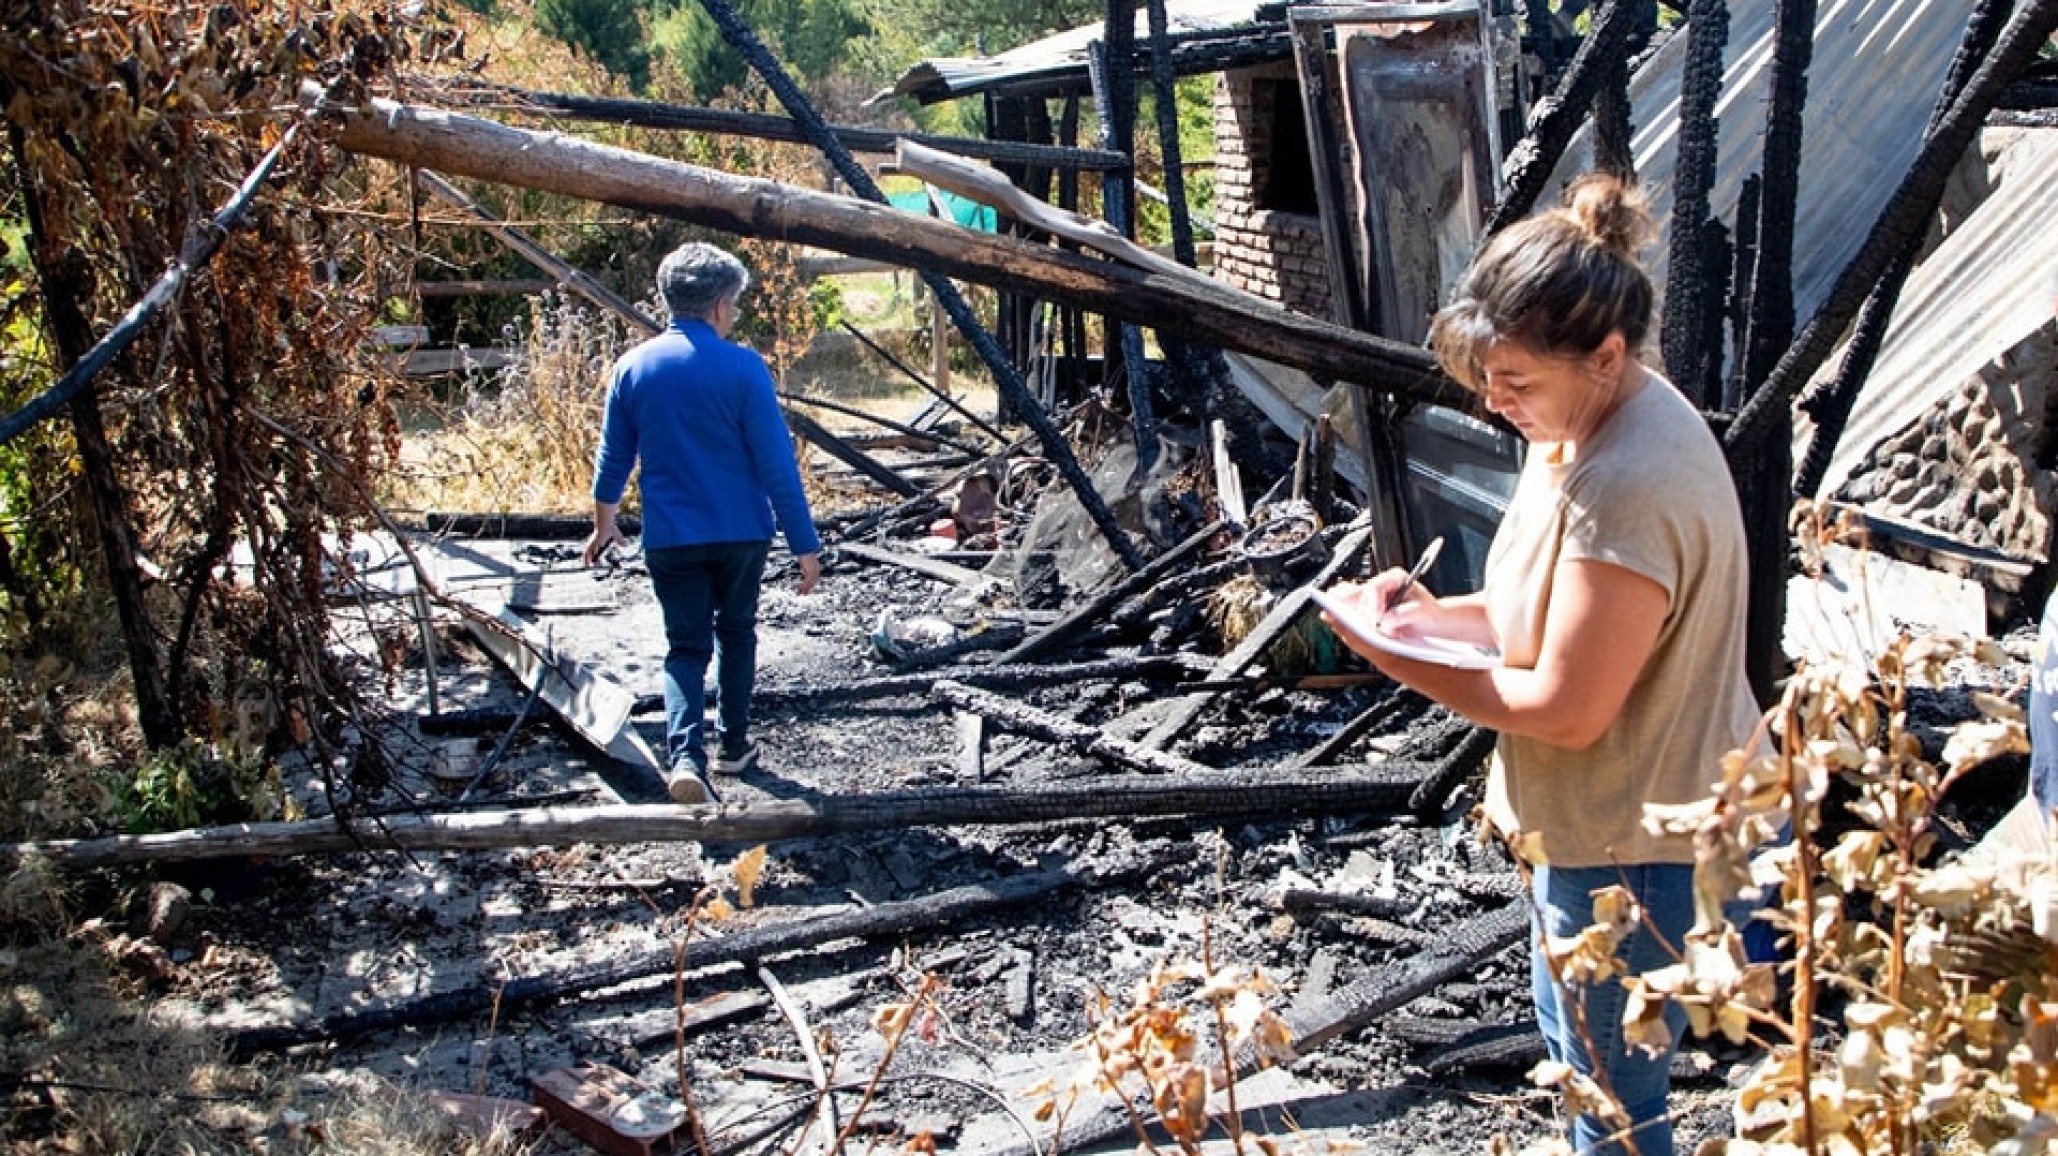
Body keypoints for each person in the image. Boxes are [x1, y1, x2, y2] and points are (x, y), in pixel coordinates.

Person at [1319, 176, 1762, 1156]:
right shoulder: (1578, 427)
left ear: (1606, 356)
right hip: (1595, 825)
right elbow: (1539, 613)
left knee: (1611, 1106)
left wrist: (1397, 664)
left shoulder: (1629, 481)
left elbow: (1566, 707)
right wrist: (1436, 619)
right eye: (1488, 378)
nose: (1495, 400)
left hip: (1634, 846)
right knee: (1586, 1067)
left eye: (1515, 380)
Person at [583, 242, 822, 805]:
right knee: (736, 633)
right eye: (734, 304)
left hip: (672, 537)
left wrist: (604, 523)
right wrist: (804, 544)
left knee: (685, 649)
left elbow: (613, 456)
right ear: (718, 306)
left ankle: (686, 756)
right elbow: (775, 464)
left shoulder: (633, 368)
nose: (734, 314)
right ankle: (733, 745)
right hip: (742, 533)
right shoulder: (743, 368)